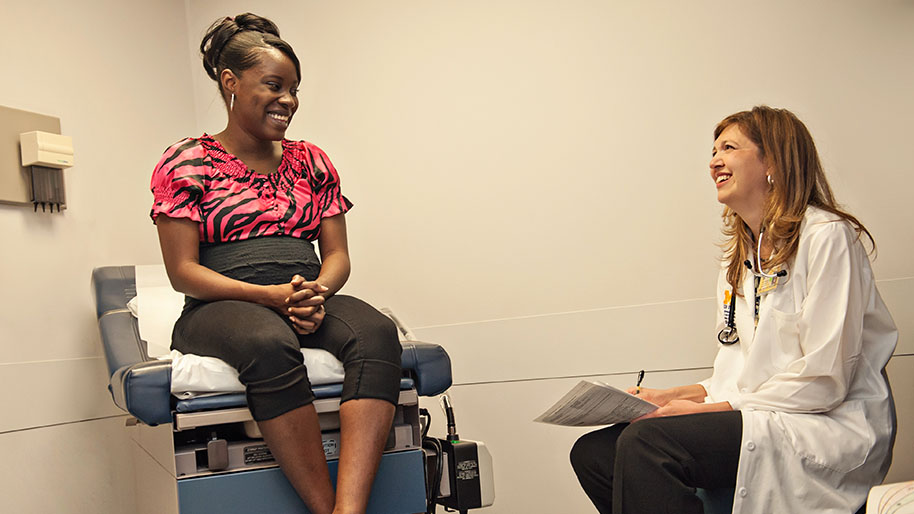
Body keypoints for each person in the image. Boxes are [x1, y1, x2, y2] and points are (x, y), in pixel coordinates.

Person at [570, 106, 897, 514]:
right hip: (765, 415)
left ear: (772, 161)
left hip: (825, 426)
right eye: (713, 150)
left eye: (728, 147)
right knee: (595, 452)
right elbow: (737, 374)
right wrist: (665, 398)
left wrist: (704, 410)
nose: (713, 161)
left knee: (648, 444)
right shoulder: (739, 260)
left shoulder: (826, 237)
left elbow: (825, 378)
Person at [149, 13, 402, 514]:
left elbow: (336, 255)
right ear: (231, 84)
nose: (288, 99)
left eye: (293, 89)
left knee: (376, 332)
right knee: (268, 342)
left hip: (305, 291)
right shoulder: (186, 161)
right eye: (274, 85)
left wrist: (317, 293)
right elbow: (183, 271)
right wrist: (269, 297)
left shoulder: (312, 161)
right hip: (220, 301)